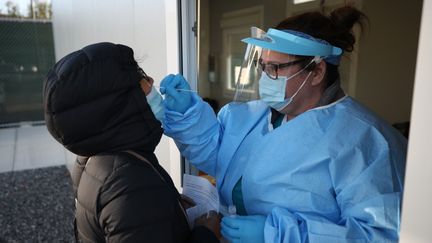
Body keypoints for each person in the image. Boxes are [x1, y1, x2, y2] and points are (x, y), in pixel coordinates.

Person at [159, 6, 407, 243]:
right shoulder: (255, 115)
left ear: (317, 71)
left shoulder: (366, 141)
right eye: (263, 66)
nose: (266, 77)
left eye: (276, 68)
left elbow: (379, 235)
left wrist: (277, 234)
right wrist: (189, 115)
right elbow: (217, 156)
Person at [43, 42, 219, 242]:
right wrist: (207, 234)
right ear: (116, 104)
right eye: (140, 76)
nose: (150, 80)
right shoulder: (131, 184)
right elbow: (133, 208)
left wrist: (171, 211)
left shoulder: (92, 158)